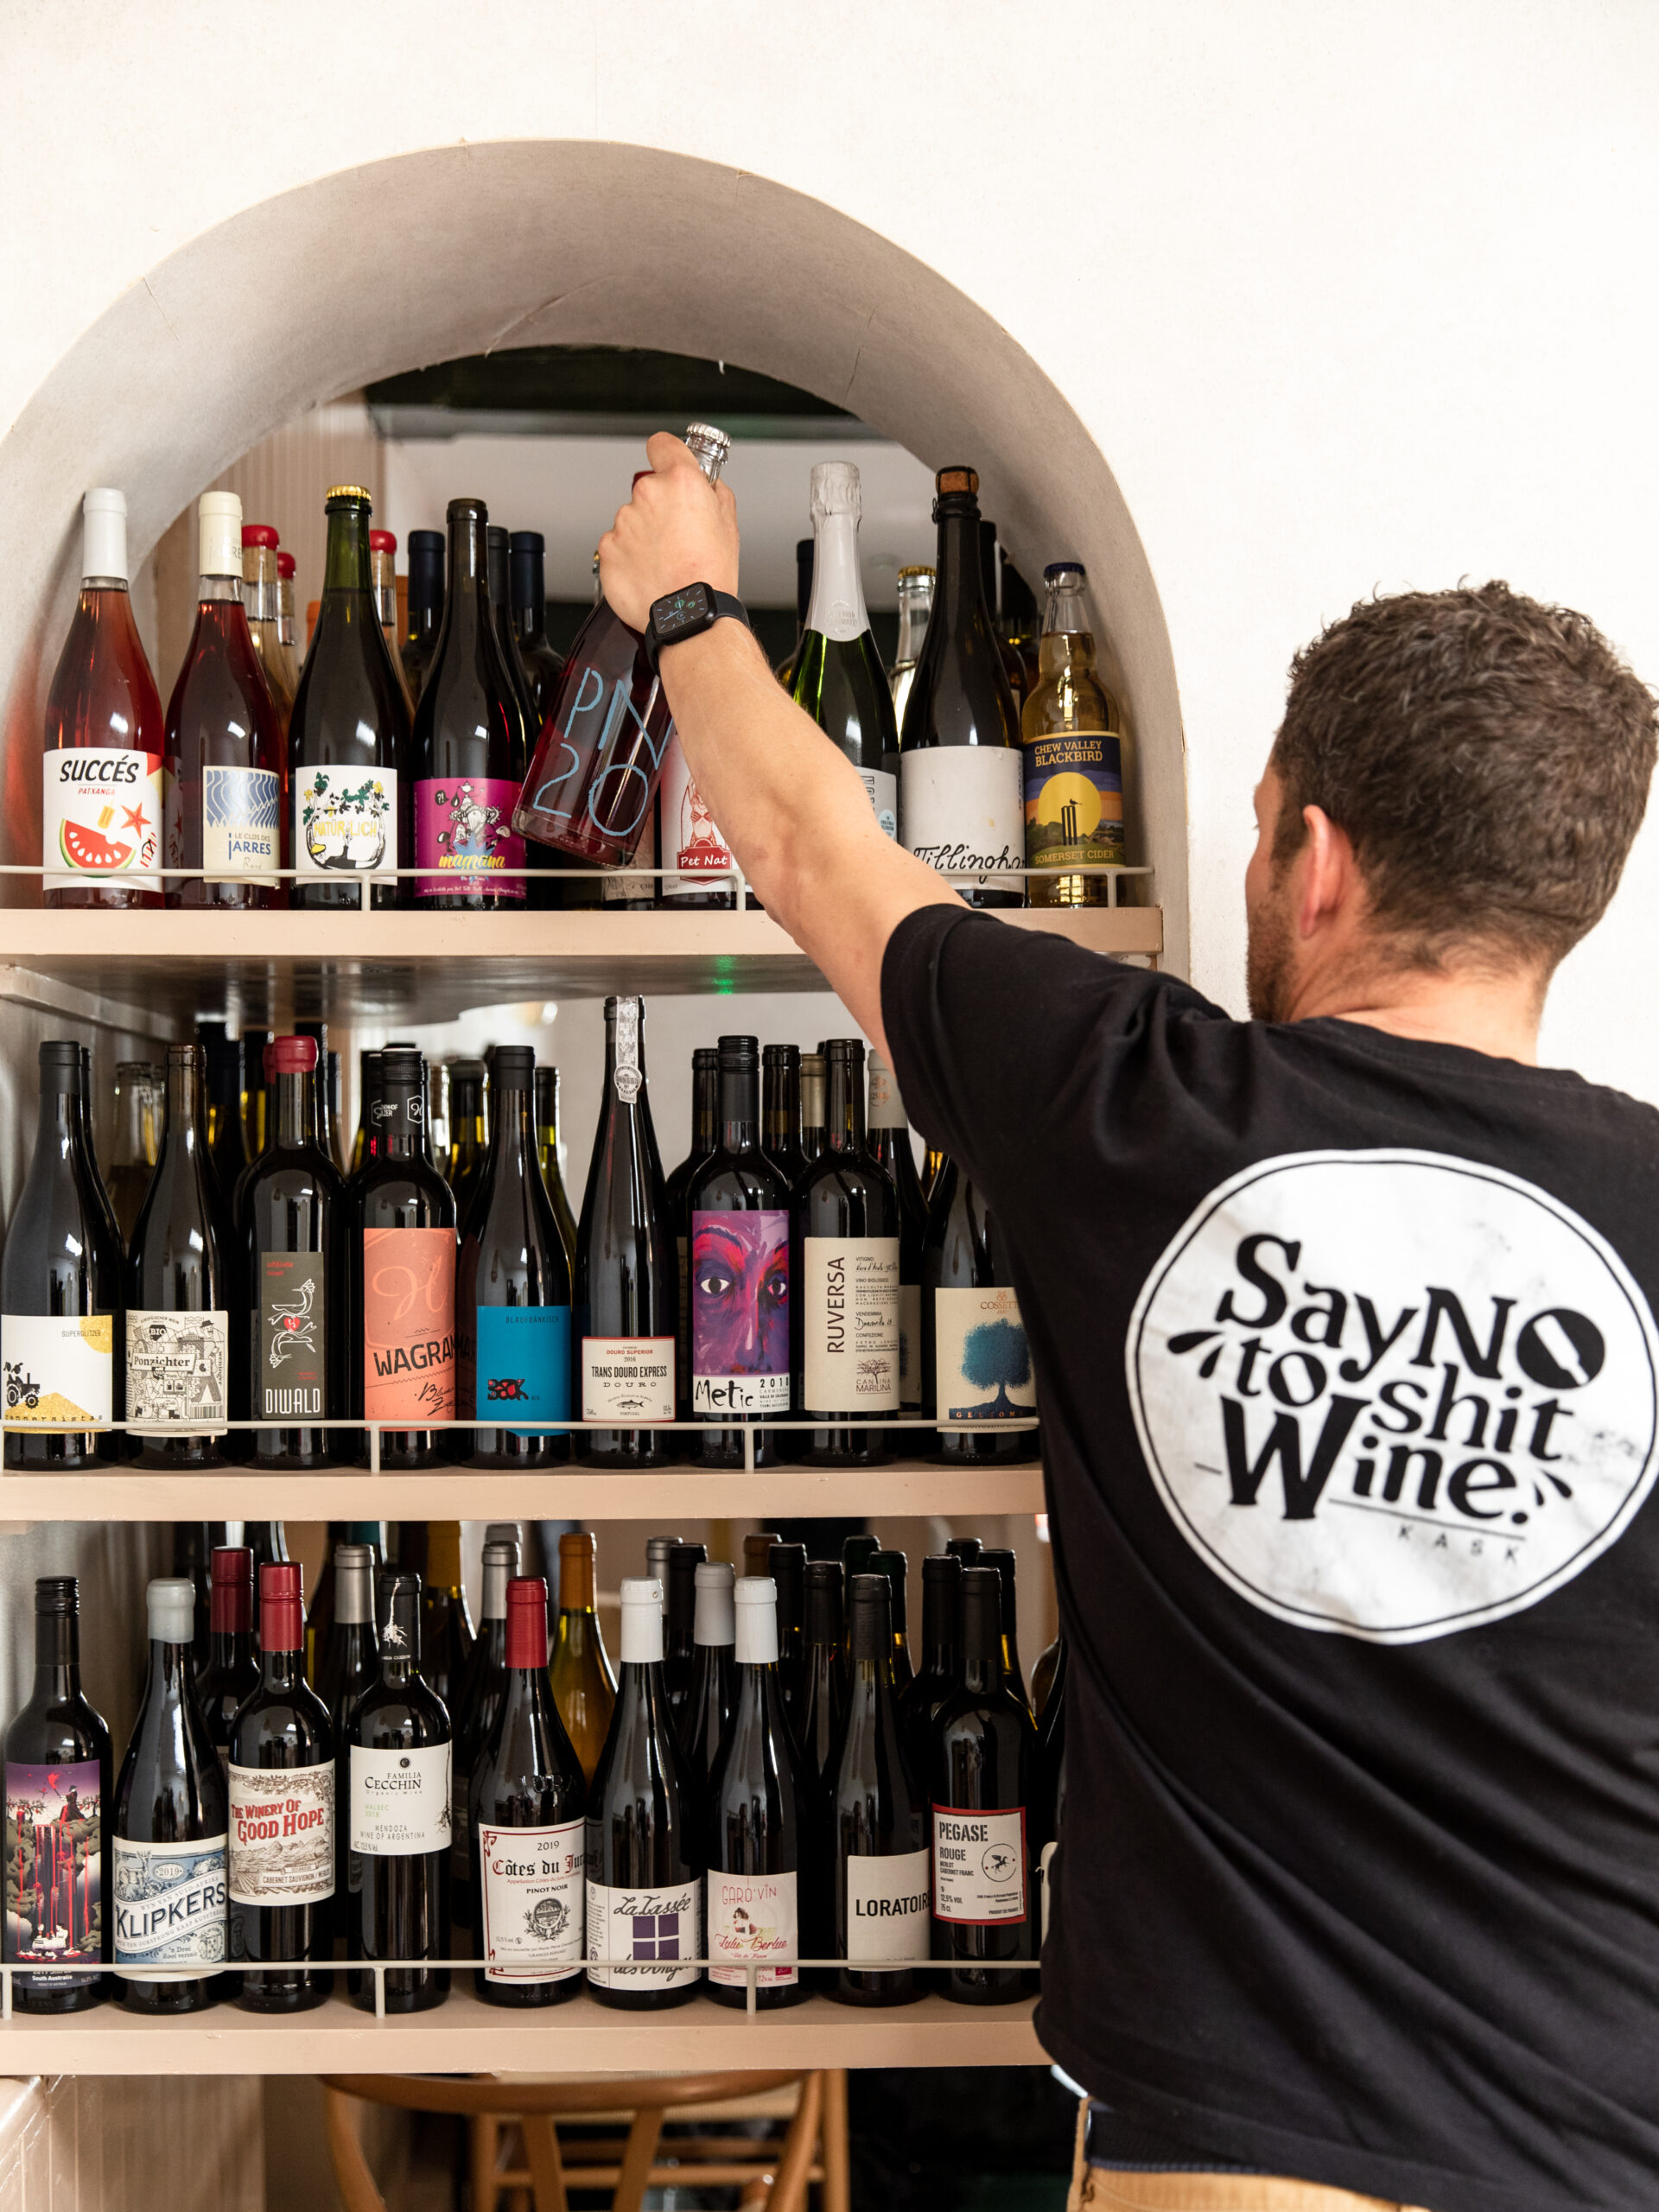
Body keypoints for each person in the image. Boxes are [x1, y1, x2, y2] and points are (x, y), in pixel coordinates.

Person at [599, 435, 1659, 2212]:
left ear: (1312, 857)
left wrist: (690, 600)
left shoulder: (1136, 1102)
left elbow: (807, 840)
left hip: (1236, 2150)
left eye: (1255, 839)